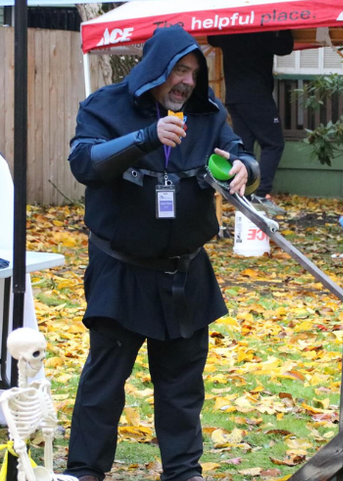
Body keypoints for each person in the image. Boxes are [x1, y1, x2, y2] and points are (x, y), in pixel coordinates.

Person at [63, 25, 255, 481]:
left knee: (183, 386)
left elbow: (240, 152)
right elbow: (84, 164)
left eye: (193, 72)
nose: (186, 82)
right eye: (178, 70)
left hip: (185, 271)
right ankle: (84, 471)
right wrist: (148, 136)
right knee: (104, 383)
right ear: (155, 69)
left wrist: (246, 167)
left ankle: (184, 472)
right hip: (121, 268)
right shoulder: (104, 107)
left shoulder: (206, 114)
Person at [208, 30, 294, 215]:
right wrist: (285, 26)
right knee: (274, 144)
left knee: (243, 147)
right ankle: (260, 195)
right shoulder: (261, 31)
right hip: (257, 97)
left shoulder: (230, 30)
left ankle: (243, 195)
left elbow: (212, 38)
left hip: (234, 97)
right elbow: (285, 47)